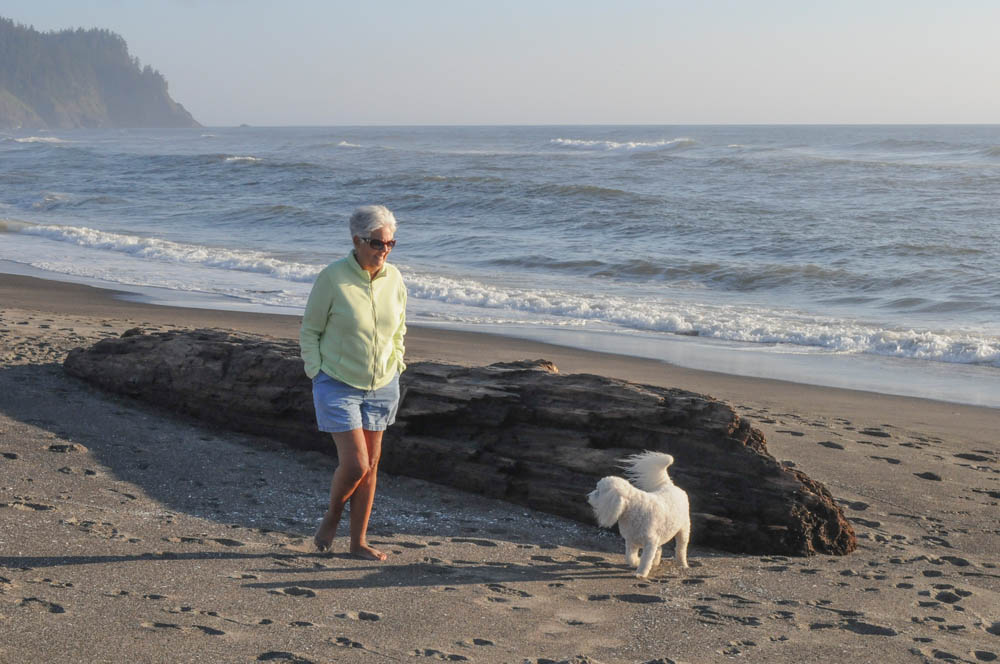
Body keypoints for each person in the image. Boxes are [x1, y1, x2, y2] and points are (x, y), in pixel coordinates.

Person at [299, 205, 407, 560]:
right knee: (357, 464)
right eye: (377, 243)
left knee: (372, 466)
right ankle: (332, 515)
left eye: (391, 243)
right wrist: (316, 371)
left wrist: (398, 362)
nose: (384, 250)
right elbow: (310, 330)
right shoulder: (332, 278)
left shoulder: (395, 279)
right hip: (337, 381)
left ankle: (358, 542)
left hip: (383, 383)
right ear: (357, 240)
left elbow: (399, 328)